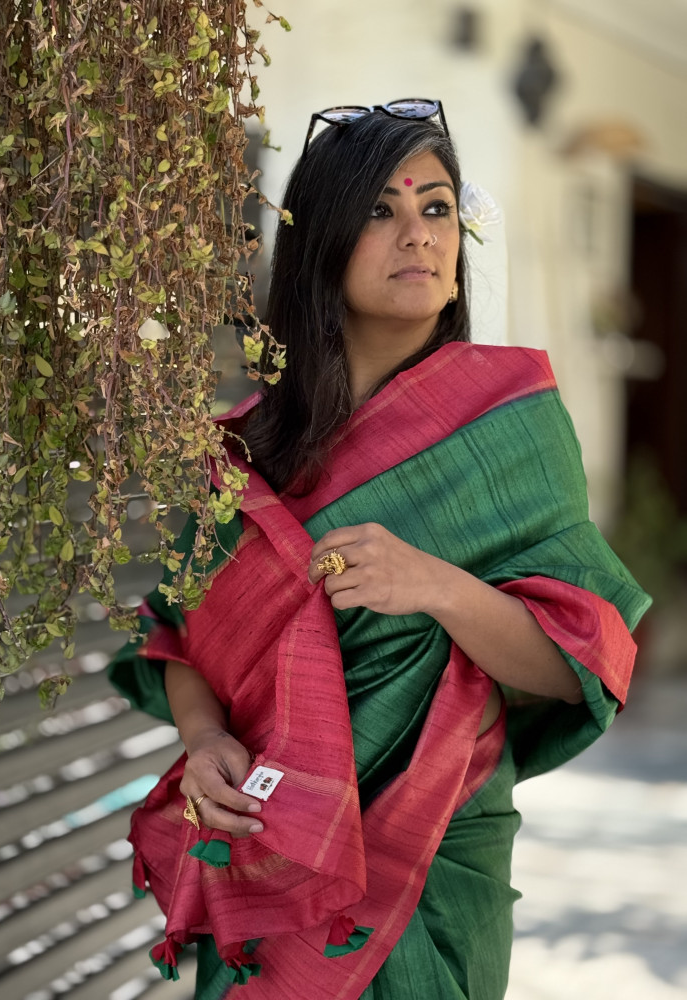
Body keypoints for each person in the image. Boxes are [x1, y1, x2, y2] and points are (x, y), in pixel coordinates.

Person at [108, 99, 651, 999]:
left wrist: (436, 585)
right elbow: (179, 640)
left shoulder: (509, 426)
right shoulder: (238, 454)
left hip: (434, 857)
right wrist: (203, 740)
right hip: (267, 849)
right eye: (381, 210)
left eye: (437, 208)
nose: (419, 235)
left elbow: (581, 663)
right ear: (322, 236)